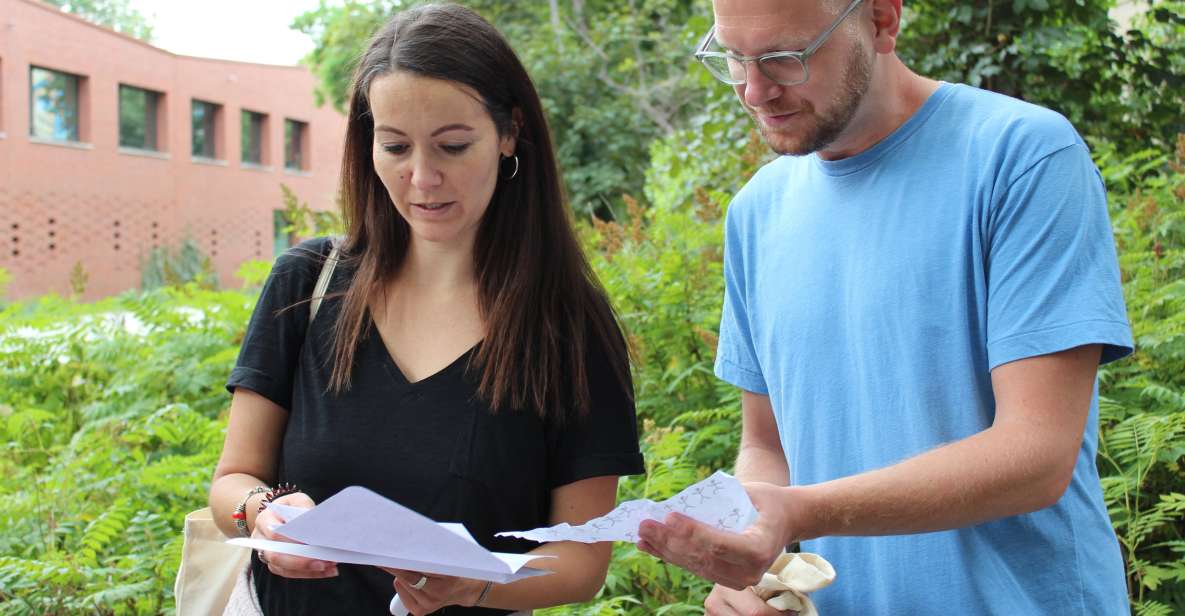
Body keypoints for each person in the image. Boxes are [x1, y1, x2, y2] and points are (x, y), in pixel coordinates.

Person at [635, 0, 1133, 614]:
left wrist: (804, 510)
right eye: (734, 59)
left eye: (784, 59)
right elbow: (767, 446)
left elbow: (1037, 454)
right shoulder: (756, 213)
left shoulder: (1021, 157)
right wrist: (748, 566)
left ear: (881, 19)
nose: (754, 91)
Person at [207, 4, 645, 615]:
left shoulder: (568, 327)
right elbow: (231, 481)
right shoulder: (308, 283)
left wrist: (477, 584)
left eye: (453, 146)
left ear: (510, 133)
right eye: (394, 146)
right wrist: (264, 515)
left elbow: (579, 561)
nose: (422, 177)